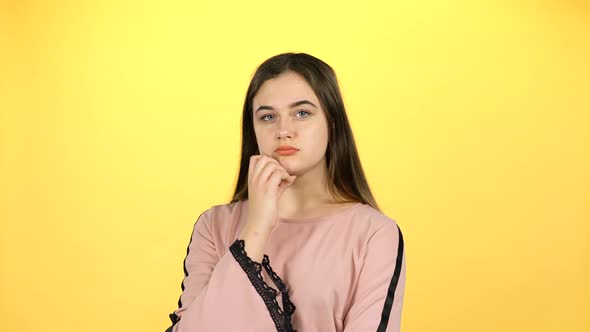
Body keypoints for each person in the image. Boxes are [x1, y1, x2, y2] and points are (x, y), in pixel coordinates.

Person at [165, 52, 406, 332]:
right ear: (252, 130)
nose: (283, 131)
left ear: (332, 122)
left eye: (302, 113)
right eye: (268, 117)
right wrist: (255, 230)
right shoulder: (213, 226)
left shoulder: (374, 234)